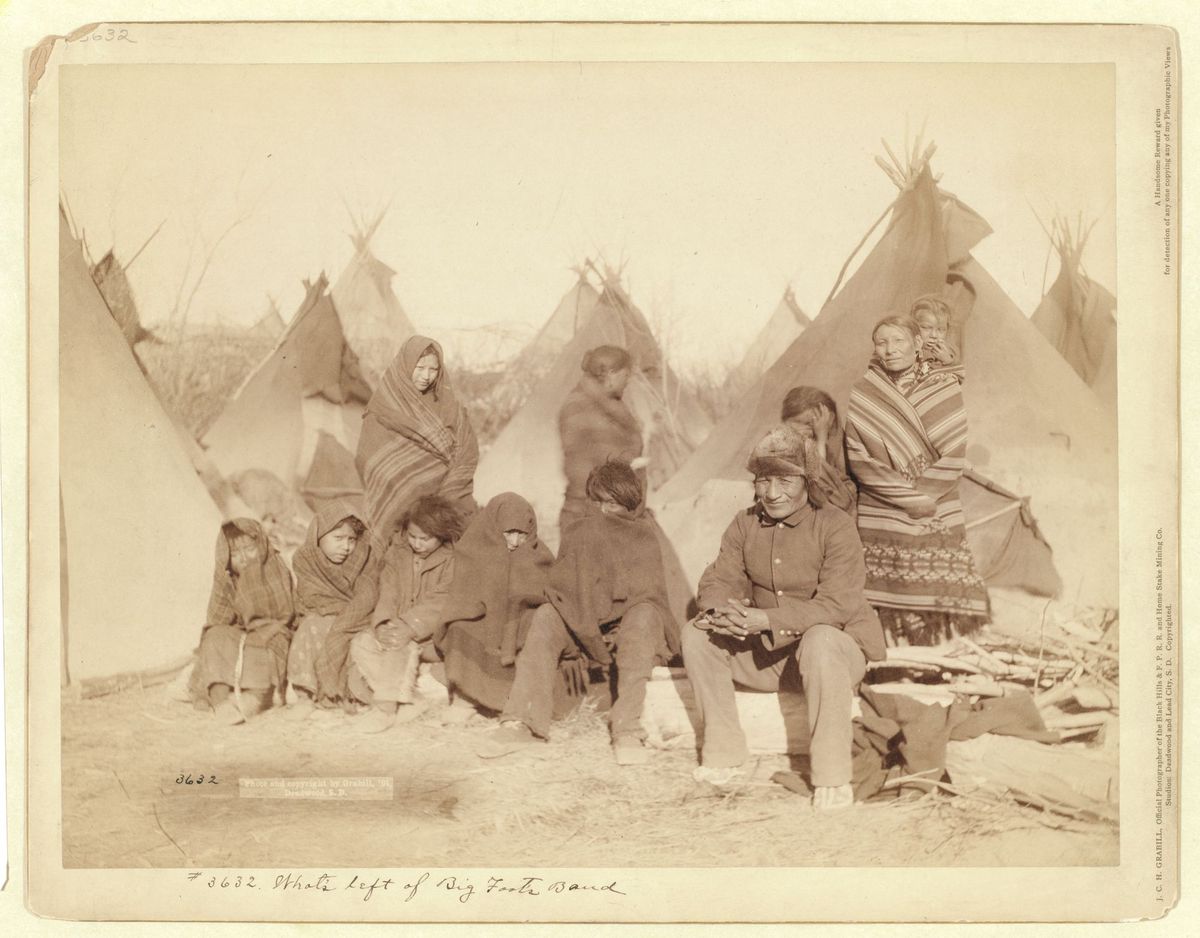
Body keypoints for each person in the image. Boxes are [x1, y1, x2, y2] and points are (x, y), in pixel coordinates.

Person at [681, 425, 885, 811]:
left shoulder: (835, 525)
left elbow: (837, 605)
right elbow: (719, 577)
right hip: (774, 659)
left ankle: (832, 776)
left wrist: (765, 621)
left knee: (821, 639)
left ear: (807, 480)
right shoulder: (745, 523)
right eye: (763, 480)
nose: (772, 493)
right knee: (697, 633)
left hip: (833, 656)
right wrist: (721, 612)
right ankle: (723, 755)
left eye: (784, 480)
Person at [477, 460, 678, 765]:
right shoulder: (579, 530)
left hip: (627, 630)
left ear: (629, 503)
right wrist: (589, 633)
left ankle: (626, 729)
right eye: (597, 502)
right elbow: (566, 591)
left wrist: (609, 631)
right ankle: (523, 723)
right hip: (583, 625)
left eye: (612, 503)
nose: (603, 512)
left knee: (644, 616)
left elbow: (650, 596)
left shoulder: (644, 534)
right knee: (546, 615)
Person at [844, 314, 989, 645]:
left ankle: (938, 660)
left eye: (898, 341)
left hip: (935, 502)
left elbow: (954, 449)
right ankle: (893, 661)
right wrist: (904, 497)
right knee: (886, 598)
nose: (890, 349)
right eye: (882, 342)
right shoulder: (863, 392)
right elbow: (857, 454)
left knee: (936, 595)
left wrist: (924, 496)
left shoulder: (943, 386)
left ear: (918, 344)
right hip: (882, 506)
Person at [435, 492, 559, 722]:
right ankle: (467, 698)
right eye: (508, 533)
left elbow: (546, 596)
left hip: (518, 624)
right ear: (493, 527)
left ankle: (508, 703)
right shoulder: (473, 549)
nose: (514, 542)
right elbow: (462, 597)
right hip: (482, 619)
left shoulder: (539, 555)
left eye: (521, 534)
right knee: (460, 627)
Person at [350, 495, 463, 732]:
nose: (417, 544)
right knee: (362, 643)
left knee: (399, 646)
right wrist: (383, 623)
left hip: (429, 635)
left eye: (425, 539)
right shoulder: (396, 555)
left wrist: (410, 625)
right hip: (397, 626)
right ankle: (411, 700)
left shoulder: (451, 561)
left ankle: (385, 709)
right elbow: (388, 592)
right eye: (412, 536)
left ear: (442, 535)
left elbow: (442, 600)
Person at [356, 335, 479, 539]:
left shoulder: (450, 408)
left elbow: (467, 449)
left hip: (451, 498)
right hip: (397, 508)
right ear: (405, 367)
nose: (426, 376)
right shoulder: (383, 410)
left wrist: (444, 495)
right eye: (420, 368)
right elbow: (369, 461)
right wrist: (411, 484)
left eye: (433, 369)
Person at [189, 519, 295, 725]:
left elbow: (285, 615)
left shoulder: (275, 566)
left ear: (261, 544)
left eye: (249, 549)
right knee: (214, 635)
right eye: (235, 554)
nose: (244, 558)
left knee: (273, 642)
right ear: (226, 558)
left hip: (273, 632)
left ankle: (256, 698)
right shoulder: (227, 577)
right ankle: (221, 702)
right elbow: (217, 620)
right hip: (243, 636)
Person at [285, 505, 383, 718]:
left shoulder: (364, 560)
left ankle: (339, 696)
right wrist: (334, 612)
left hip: (357, 618)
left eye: (351, 539)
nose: (346, 546)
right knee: (311, 627)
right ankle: (306, 696)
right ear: (318, 536)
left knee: (342, 635)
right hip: (321, 616)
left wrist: (341, 619)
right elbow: (310, 597)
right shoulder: (305, 559)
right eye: (338, 538)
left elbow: (367, 598)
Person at [557, 345, 649, 533]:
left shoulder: (610, 404)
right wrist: (631, 463)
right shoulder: (578, 407)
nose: (628, 381)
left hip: (617, 512)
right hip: (591, 517)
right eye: (626, 375)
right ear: (611, 374)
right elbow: (584, 468)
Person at [780, 386, 858, 518]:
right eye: (793, 423)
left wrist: (821, 438)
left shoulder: (842, 445)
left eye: (808, 423)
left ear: (829, 420)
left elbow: (835, 493)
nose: (797, 429)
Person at [909, 294, 960, 370]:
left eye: (940, 330)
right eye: (926, 328)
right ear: (913, 326)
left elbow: (960, 377)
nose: (934, 335)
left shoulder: (950, 352)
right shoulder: (907, 347)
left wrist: (949, 362)